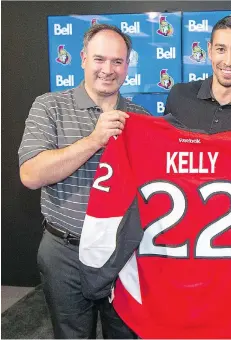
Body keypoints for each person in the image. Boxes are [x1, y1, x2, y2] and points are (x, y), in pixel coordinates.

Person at [18, 24, 149, 339]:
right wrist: (94, 140)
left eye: (117, 61)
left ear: (127, 66)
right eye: (99, 59)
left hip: (123, 254)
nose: (108, 69)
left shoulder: (141, 117)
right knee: (71, 334)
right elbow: (31, 175)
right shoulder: (49, 106)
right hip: (64, 253)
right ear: (82, 59)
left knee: (127, 333)